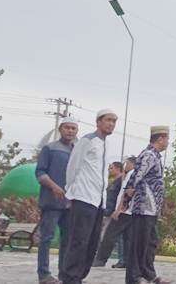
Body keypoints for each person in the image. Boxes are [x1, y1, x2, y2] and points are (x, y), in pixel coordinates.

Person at [60, 108, 116, 284]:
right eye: (108, 120)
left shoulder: (106, 145)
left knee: (92, 243)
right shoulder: (87, 140)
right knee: (79, 240)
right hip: (83, 197)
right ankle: (70, 277)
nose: (111, 124)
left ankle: (79, 276)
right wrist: (70, 192)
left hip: (98, 201)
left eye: (114, 121)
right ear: (98, 122)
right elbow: (73, 167)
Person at [123, 126, 171, 284]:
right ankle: (134, 277)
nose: (168, 142)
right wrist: (127, 196)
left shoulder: (155, 156)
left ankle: (148, 273)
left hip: (151, 209)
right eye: (167, 139)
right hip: (144, 206)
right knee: (139, 243)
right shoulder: (149, 155)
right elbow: (137, 175)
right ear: (160, 139)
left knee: (150, 242)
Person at [35, 116, 77, 284]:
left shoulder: (76, 151)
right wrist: (54, 187)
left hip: (70, 204)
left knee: (67, 240)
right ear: (60, 129)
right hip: (51, 202)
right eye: (67, 127)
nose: (70, 131)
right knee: (47, 238)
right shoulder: (50, 148)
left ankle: (64, 274)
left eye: (73, 128)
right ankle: (44, 274)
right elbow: (40, 173)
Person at [92, 157, 135, 268]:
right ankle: (125, 261)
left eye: (127, 164)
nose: (125, 166)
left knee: (109, 235)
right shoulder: (129, 175)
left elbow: (127, 193)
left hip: (124, 211)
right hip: (129, 211)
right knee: (127, 237)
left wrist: (119, 210)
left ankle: (100, 260)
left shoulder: (132, 174)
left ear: (132, 164)